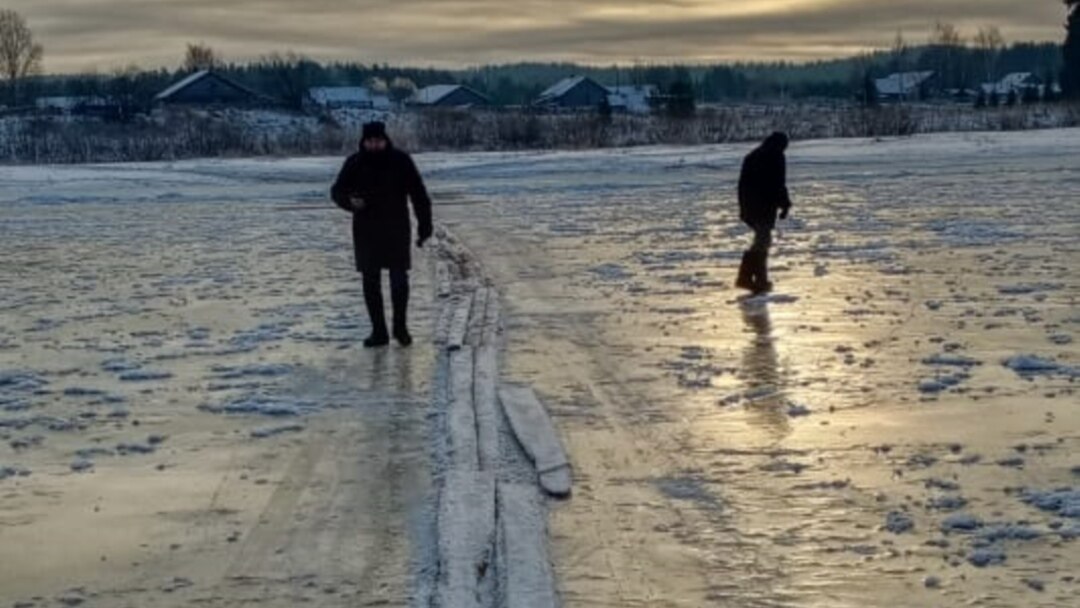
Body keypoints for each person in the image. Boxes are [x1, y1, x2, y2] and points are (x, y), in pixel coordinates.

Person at [331, 122, 433, 347]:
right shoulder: (354, 163)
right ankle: (379, 331)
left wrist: (425, 224)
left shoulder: (401, 161)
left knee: (399, 279)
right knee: (370, 281)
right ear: (364, 142)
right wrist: (349, 202)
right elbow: (337, 191)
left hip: (396, 228)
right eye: (370, 141)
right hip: (366, 230)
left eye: (378, 140)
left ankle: (400, 327)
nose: (374, 144)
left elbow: (419, 193)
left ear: (385, 140)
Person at [736, 131, 792, 294]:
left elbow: (742, 186)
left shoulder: (753, 156)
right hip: (763, 207)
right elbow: (777, 184)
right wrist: (785, 205)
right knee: (762, 242)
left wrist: (743, 209)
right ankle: (745, 278)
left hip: (750, 206)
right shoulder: (775, 157)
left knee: (762, 241)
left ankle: (759, 280)